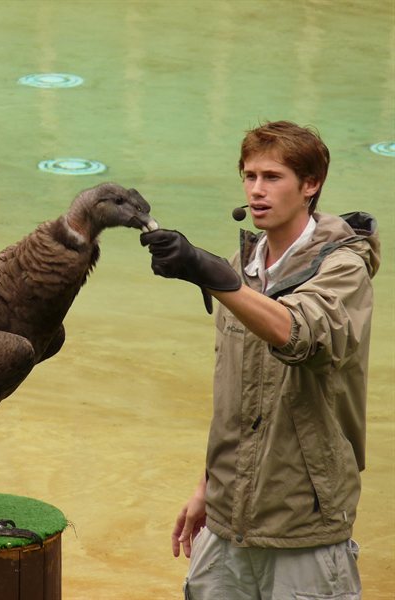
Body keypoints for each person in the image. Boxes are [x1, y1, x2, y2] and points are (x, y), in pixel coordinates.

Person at [140, 120, 380, 599]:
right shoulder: (240, 267)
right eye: (249, 176)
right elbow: (236, 396)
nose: (256, 190)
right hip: (228, 518)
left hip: (303, 524)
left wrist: (209, 275)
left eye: (272, 177)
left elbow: (297, 332)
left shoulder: (344, 268)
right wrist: (206, 486)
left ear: (310, 185)